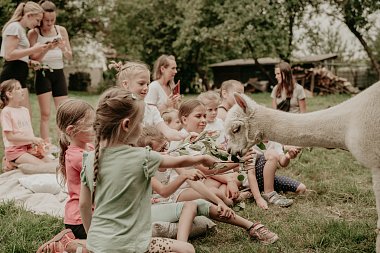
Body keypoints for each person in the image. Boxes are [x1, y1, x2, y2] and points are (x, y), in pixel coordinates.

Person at [79, 87, 218, 253]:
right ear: (127, 125)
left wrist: (91, 240)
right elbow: (178, 161)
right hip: (134, 246)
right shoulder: (141, 156)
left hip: (97, 245)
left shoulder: (89, 158)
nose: (142, 126)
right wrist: (202, 158)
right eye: (140, 122)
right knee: (187, 249)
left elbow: (84, 205)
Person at [139, 126, 279, 245]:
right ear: (148, 153)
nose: (166, 152)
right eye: (161, 150)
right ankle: (182, 247)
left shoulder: (169, 158)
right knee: (193, 205)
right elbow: (163, 192)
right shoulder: (144, 167)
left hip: (169, 201)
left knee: (203, 203)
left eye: (166, 146)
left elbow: (194, 183)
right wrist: (183, 176)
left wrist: (219, 202)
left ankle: (251, 227)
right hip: (151, 207)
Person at [109, 60, 188, 141]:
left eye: (147, 84)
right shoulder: (118, 110)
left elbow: (168, 132)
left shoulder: (151, 110)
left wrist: (186, 136)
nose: (146, 88)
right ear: (125, 84)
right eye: (141, 83)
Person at [28, 0, 72, 142]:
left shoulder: (61, 30)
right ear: (41, 18)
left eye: (53, 20)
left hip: (59, 73)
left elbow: (69, 56)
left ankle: (63, 145)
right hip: (43, 73)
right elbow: (33, 59)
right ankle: (46, 145)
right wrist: (47, 48)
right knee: (45, 114)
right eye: (47, 20)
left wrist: (62, 47)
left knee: (62, 113)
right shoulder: (34, 33)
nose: (50, 23)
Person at [0, 1, 48, 114]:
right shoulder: (15, 27)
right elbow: (9, 55)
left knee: (23, 116)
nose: (38, 24)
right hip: (12, 75)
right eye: (37, 20)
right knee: (20, 117)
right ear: (29, 15)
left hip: (19, 75)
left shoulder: (20, 29)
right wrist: (34, 49)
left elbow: (18, 55)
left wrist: (30, 62)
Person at [0, 79, 52, 171]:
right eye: (18, 88)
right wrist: (32, 139)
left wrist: (37, 143)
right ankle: (11, 161)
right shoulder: (6, 112)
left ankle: (15, 163)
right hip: (15, 151)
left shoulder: (25, 110)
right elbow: (10, 137)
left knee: (51, 163)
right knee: (43, 167)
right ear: (9, 94)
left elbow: (27, 132)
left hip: (28, 148)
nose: (22, 90)